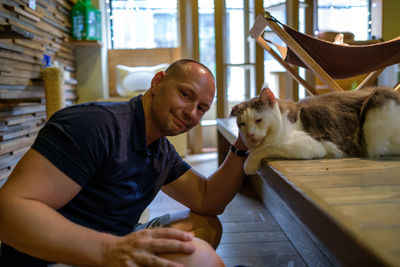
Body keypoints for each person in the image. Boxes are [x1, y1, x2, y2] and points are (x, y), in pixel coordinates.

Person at [0, 59, 249, 267]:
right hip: (53, 256)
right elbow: (8, 212)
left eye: (202, 108)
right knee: (198, 255)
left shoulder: (161, 150)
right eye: (185, 95)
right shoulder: (93, 125)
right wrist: (109, 249)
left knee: (206, 226)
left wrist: (241, 144)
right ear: (158, 82)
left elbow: (208, 199)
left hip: (115, 241)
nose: (191, 113)